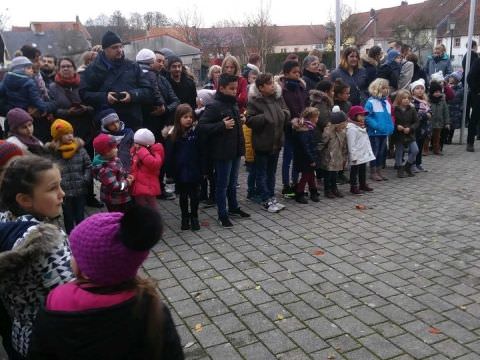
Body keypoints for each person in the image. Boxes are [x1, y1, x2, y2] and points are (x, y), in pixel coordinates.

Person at [28, 205, 184, 359]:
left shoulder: (55, 304)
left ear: (87, 272)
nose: (71, 258)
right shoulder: (151, 307)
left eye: (75, 254)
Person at [0, 155, 73, 359]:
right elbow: (73, 295)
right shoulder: (46, 244)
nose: (62, 194)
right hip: (54, 341)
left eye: (60, 185)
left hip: (22, 335)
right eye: (52, 188)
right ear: (25, 200)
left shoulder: (6, 224)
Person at [198, 73, 250, 228]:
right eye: (231, 88)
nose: (235, 91)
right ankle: (222, 214)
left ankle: (233, 208)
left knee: (233, 183)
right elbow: (201, 127)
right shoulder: (214, 106)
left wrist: (240, 121)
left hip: (234, 150)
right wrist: (221, 125)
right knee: (222, 184)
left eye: (236, 88)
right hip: (222, 152)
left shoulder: (232, 103)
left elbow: (233, 126)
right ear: (221, 88)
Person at [48, 57, 101, 208]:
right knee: (68, 167)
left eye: (69, 66)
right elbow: (53, 109)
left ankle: (90, 196)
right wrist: (67, 112)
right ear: (58, 69)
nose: (66, 69)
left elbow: (94, 105)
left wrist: (85, 108)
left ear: (74, 68)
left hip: (86, 132)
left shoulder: (83, 84)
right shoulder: (52, 87)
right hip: (64, 134)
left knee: (87, 164)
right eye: (63, 66)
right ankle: (70, 199)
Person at [79, 31, 153, 130]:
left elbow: (148, 90)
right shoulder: (92, 69)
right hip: (106, 124)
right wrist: (105, 97)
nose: (119, 50)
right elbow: (84, 94)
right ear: (105, 49)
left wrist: (132, 95)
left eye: (120, 46)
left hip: (132, 122)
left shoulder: (132, 66)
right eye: (114, 47)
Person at [246, 73, 290, 213]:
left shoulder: (277, 97)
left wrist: (283, 115)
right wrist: (266, 117)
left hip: (276, 142)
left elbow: (286, 111)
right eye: (270, 83)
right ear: (261, 87)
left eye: (273, 82)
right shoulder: (254, 101)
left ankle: (271, 196)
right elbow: (249, 120)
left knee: (272, 172)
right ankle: (265, 199)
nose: (273, 85)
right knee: (262, 173)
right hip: (262, 144)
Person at [46, 119, 91, 233]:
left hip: (80, 188)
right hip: (64, 191)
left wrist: (85, 179)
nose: (70, 136)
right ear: (58, 137)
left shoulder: (79, 149)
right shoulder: (53, 152)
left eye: (71, 133)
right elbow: (50, 169)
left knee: (80, 215)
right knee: (68, 217)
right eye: (66, 134)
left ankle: (82, 235)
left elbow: (88, 165)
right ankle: (71, 236)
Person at [0, 56, 56, 141]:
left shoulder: (6, 79)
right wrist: (45, 108)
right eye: (29, 68)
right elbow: (37, 101)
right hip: (29, 122)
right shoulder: (29, 82)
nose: (32, 70)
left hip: (12, 121)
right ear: (22, 69)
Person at [166, 104, 202, 231]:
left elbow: (201, 151)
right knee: (183, 195)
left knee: (195, 195)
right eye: (185, 117)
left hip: (194, 169)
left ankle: (194, 217)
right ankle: (185, 217)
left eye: (190, 117)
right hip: (180, 171)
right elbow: (169, 156)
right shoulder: (173, 136)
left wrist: (203, 168)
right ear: (178, 118)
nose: (188, 119)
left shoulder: (195, 133)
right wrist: (169, 173)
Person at [280, 60, 308, 198]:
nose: (297, 75)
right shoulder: (282, 90)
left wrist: (304, 117)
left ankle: (295, 183)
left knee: (298, 157)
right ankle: (286, 186)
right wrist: (292, 120)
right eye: (294, 72)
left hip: (301, 127)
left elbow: (305, 104)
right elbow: (283, 109)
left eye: (298, 72)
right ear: (286, 74)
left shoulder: (301, 87)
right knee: (287, 158)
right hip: (288, 128)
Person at [92, 133, 133, 212]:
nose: (117, 149)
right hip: (114, 200)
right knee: (117, 218)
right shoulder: (106, 170)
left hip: (121, 197)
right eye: (114, 148)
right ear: (106, 152)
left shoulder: (115, 159)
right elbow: (114, 186)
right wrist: (127, 182)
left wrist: (126, 175)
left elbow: (121, 171)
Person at [364, 78, 394, 181]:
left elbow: (389, 116)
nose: (386, 90)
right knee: (375, 152)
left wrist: (390, 126)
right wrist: (376, 126)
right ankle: (373, 172)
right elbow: (367, 117)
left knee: (382, 152)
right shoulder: (371, 102)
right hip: (375, 132)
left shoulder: (387, 102)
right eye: (383, 88)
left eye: (387, 88)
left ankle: (379, 171)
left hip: (384, 132)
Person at [317, 106, 348, 199]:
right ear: (337, 124)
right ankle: (327, 190)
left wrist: (344, 155)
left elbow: (344, 145)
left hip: (337, 156)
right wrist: (318, 153)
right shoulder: (328, 132)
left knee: (335, 175)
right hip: (328, 157)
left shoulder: (342, 132)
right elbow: (322, 143)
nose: (345, 125)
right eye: (343, 123)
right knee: (328, 175)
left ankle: (334, 188)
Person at [130, 128, 164, 212]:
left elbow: (155, 164)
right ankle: (144, 222)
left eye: (139, 144)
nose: (136, 145)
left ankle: (155, 221)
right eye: (135, 143)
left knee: (152, 206)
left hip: (149, 185)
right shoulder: (135, 151)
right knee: (140, 207)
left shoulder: (154, 151)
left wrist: (143, 152)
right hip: (137, 184)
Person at [292, 107, 320, 203]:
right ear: (312, 118)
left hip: (308, 157)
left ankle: (313, 192)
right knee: (306, 176)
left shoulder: (309, 128)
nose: (317, 119)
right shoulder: (304, 130)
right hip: (305, 158)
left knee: (311, 175)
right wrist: (311, 160)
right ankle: (299, 193)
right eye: (316, 117)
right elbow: (306, 147)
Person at [346, 105, 375, 194]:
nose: (363, 117)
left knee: (363, 169)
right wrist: (353, 156)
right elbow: (351, 144)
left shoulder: (361, 126)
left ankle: (362, 184)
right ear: (354, 116)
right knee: (354, 171)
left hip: (362, 153)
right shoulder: (351, 129)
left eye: (364, 115)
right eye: (361, 115)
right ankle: (353, 186)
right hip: (356, 154)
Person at [392, 90, 419, 178]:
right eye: (404, 98)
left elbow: (416, 122)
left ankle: (407, 166)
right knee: (399, 152)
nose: (406, 100)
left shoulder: (412, 109)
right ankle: (399, 169)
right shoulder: (394, 109)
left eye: (408, 98)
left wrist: (410, 128)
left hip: (409, 134)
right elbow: (391, 121)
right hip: (399, 134)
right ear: (399, 99)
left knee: (415, 150)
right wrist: (397, 126)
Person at [410, 79, 431, 172]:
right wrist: (425, 114)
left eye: (422, 88)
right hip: (416, 128)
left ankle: (418, 163)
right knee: (415, 147)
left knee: (421, 146)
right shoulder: (412, 102)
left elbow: (430, 112)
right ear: (412, 91)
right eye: (417, 88)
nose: (420, 90)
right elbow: (417, 114)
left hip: (424, 128)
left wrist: (427, 114)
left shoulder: (425, 101)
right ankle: (412, 164)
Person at [428, 81, 450, 155]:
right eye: (435, 92)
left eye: (439, 92)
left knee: (437, 137)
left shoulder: (442, 101)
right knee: (427, 137)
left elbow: (446, 112)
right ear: (431, 92)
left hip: (439, 123)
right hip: (429, 122)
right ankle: (425, 149)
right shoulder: (428, 100)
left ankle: (436, 149)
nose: (437, 93)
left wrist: (447, 122)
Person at [446, 71, 464, 144]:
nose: (450, 78)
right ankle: (445, 138)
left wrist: (461, 108)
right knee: (446, 123)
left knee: (452, 125)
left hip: (455, 109)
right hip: (448, 108)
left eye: (452, 77)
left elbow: (462, 99)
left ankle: (449, 138)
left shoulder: (460, 88)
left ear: (456, 79)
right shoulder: (447, 86)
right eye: (450, 77)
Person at [467, 57, 480, 152]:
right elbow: (470, 77)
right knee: (474, 118)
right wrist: (477, 91)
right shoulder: (478, 62)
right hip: (478, 95)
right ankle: (470, 143)